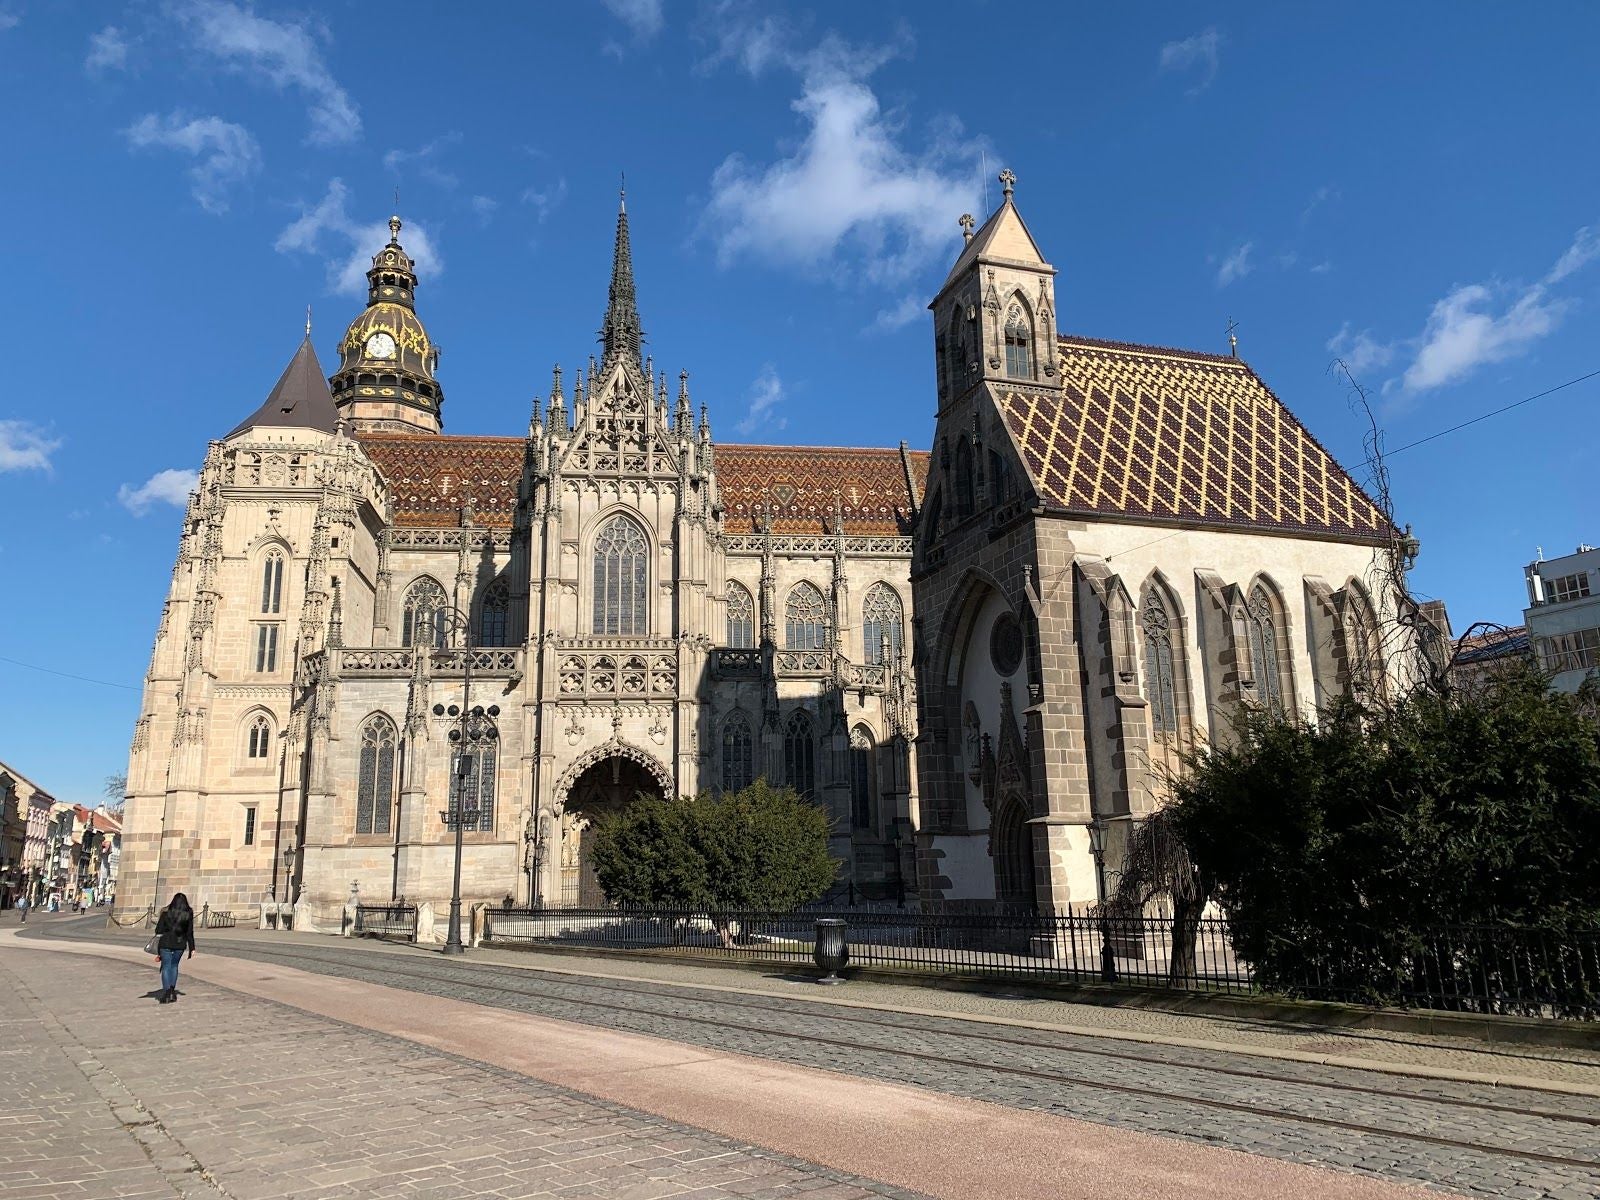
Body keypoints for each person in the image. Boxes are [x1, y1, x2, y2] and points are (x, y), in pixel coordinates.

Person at [154, 893, 196, 1004]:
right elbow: (189, 932)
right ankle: (172, 992)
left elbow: (158, 930)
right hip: (180, 943)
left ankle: (167, 993)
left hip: (166, 943)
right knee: (174, 966)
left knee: (166, 967)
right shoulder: (188, 914)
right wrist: (192, 947)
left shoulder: (166, 913)